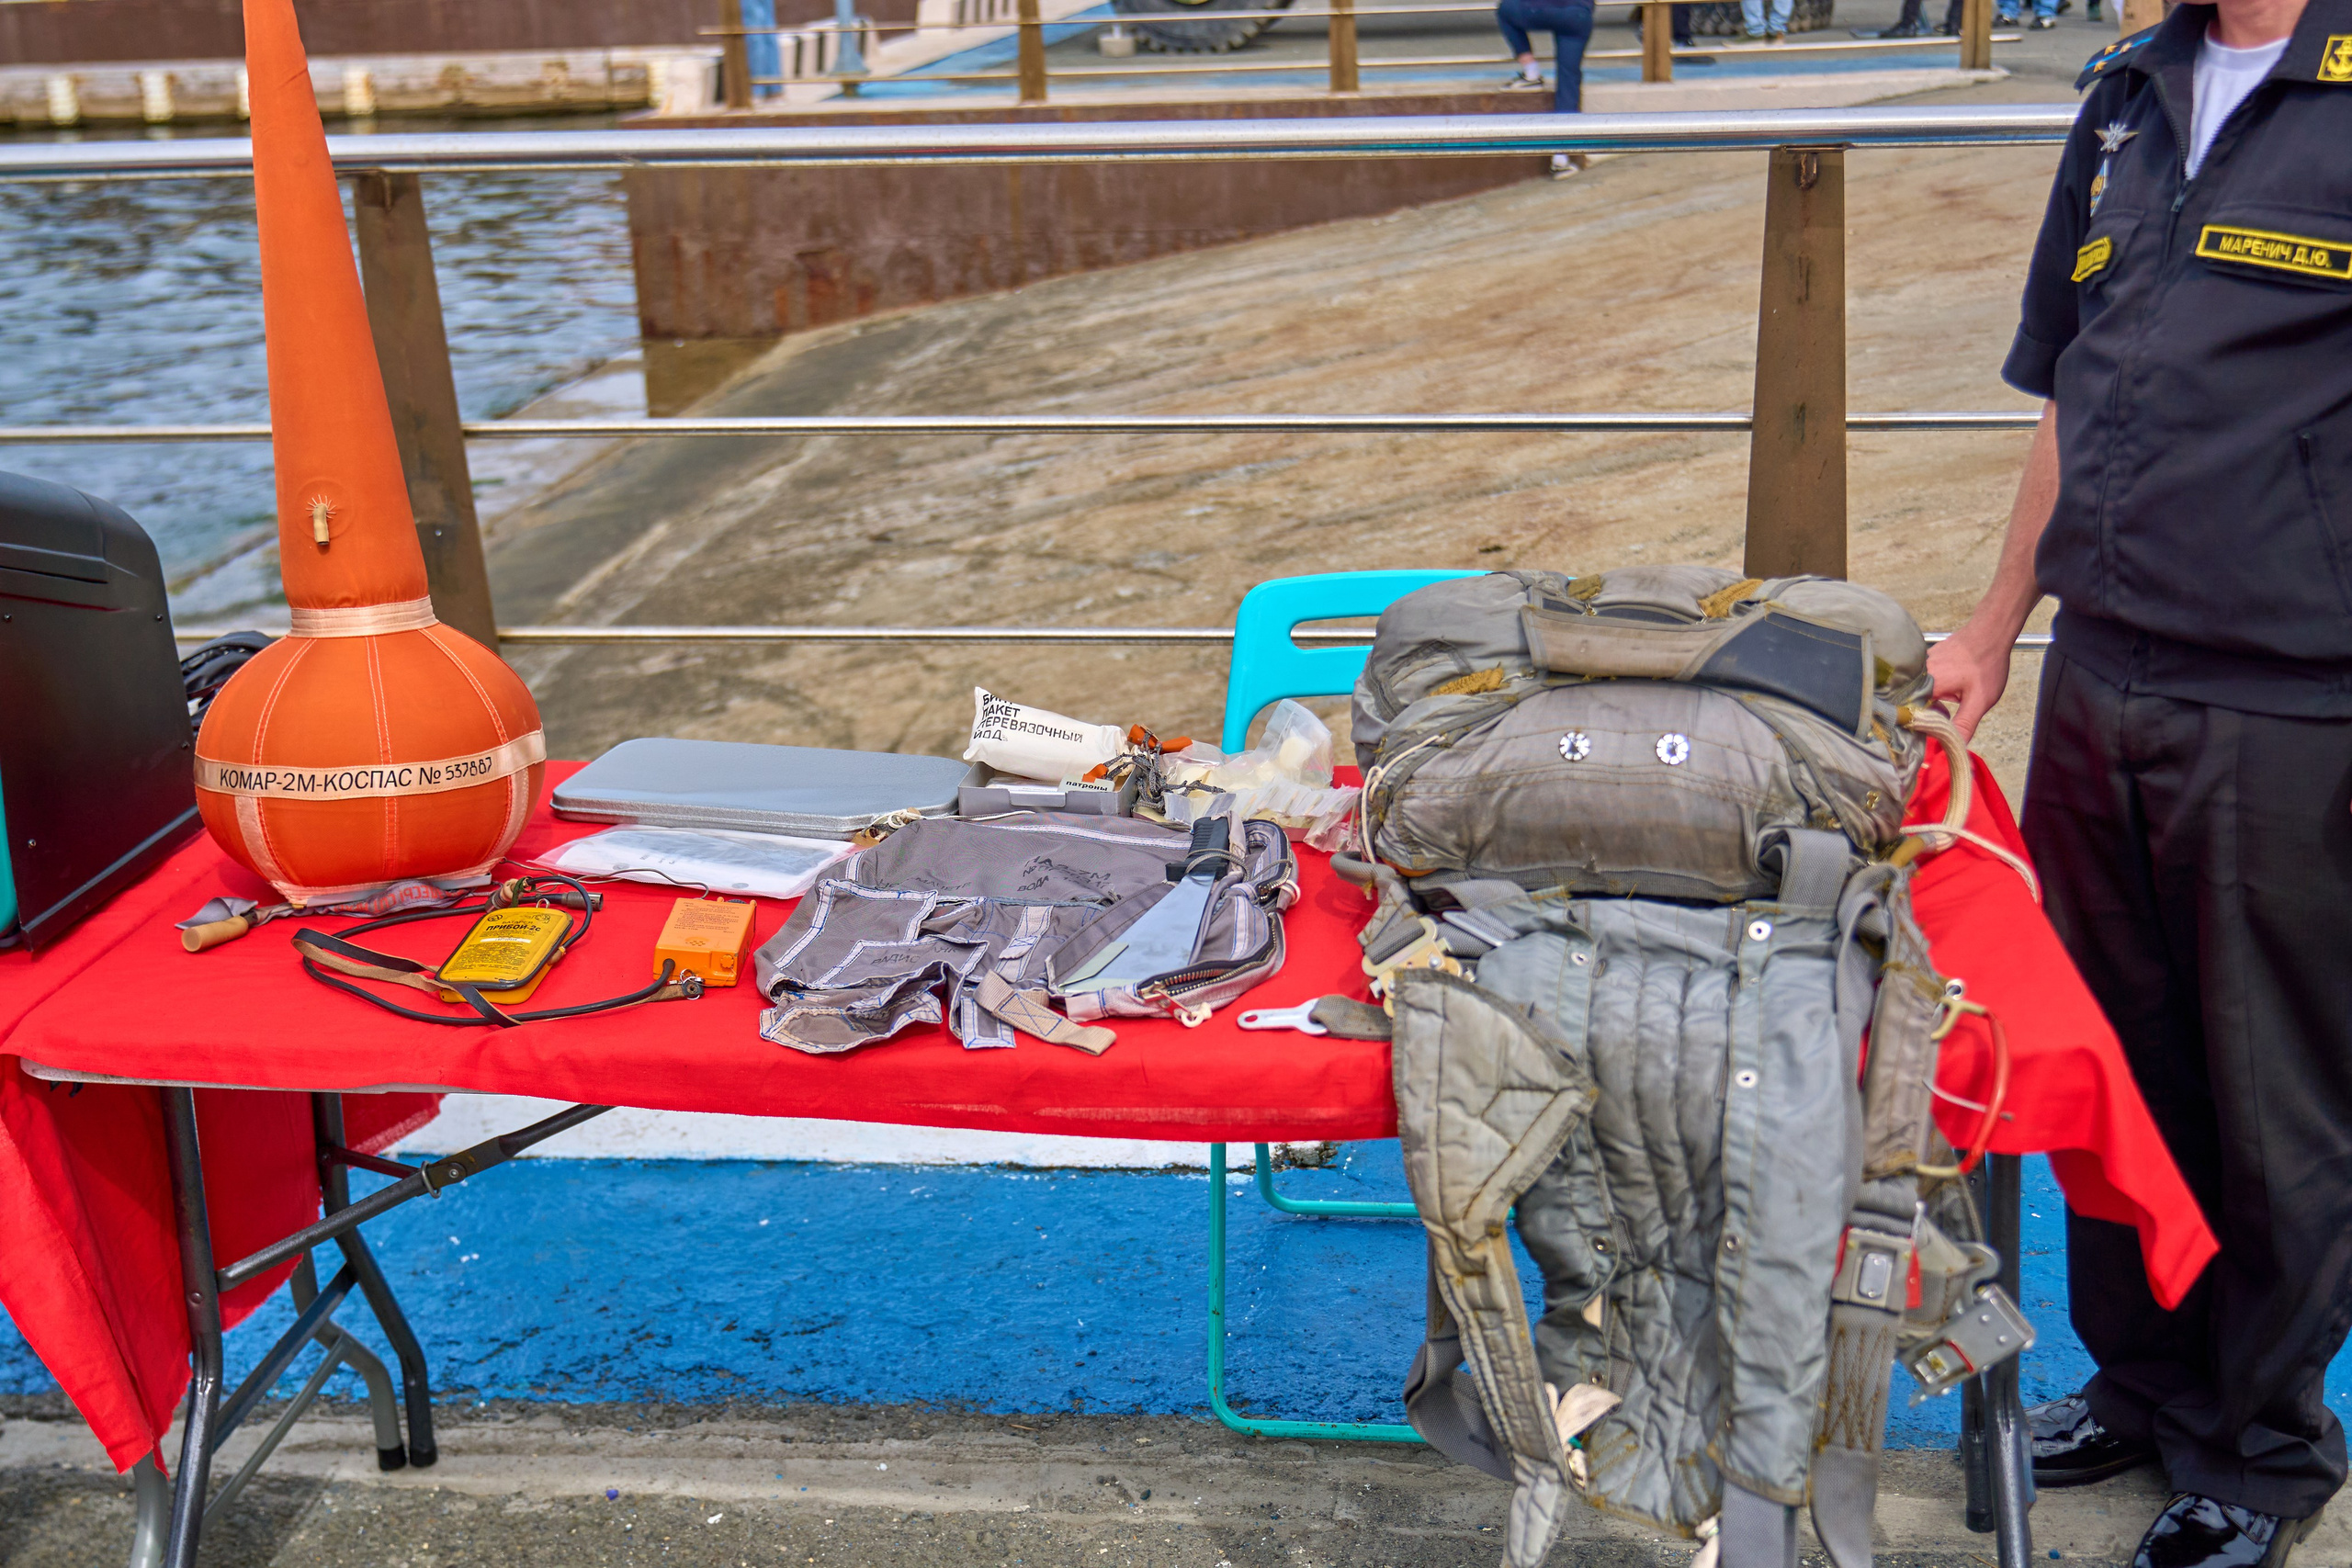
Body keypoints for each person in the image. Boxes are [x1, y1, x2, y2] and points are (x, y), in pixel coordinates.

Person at [1928, 0, 2352, 1562]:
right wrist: (1991, 628)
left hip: (2292, 693)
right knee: (2114, 1066)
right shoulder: (2129, 96)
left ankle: (2262, 1453)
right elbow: (2075, 387)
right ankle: (2144, 1382)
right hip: (2099, 682)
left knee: (2273, 1096)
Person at [1498, 0, 1597, 173]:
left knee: (1505, 9)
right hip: (1578, 15)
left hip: (1541, 9)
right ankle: (1560, 157)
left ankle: (1531, 72)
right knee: (1569, 80)